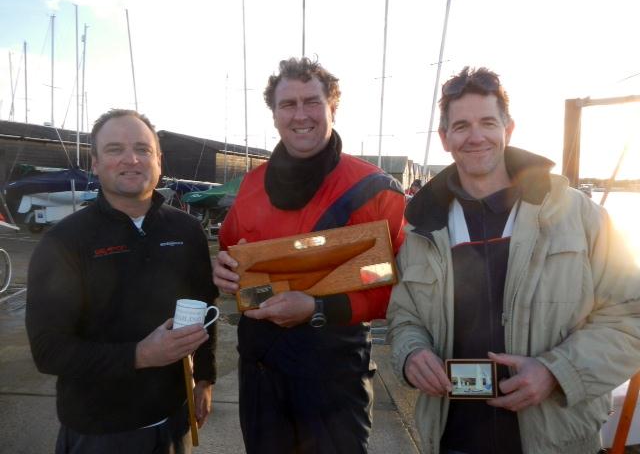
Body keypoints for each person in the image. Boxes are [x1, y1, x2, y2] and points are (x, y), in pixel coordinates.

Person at [386, 66, 640, 454]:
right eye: (461, 126)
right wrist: (411, 354)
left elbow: (631, 316)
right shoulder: (424, 229)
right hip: (452, 437)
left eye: (488, 122)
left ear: (509, 129)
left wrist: (557, 372)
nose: (476, 136)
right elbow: (404, 319)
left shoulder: (581, 217)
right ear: (444, 138)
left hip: (555, 438)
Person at [213, 57, 406, 453]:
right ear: (274, 115)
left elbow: (393, 285)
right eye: (288, 104)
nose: (300, 115)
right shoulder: (250, 185)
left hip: (333, 377)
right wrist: (224, 271)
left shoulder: (375, 190)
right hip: (261, 371)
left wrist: (317, 307)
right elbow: (232, 256)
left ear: (332, 107)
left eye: (311, 102)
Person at [26, 109, 218, 454]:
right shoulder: (64, 242)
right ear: (96, 163)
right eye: (115, 149)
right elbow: (48, 352)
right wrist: (139, 355)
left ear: (159, 160)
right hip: (98, 432)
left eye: (143, 149)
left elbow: (203, 306)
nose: (131, 159)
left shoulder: (186, 231)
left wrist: (205, 378)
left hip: (174, 422)